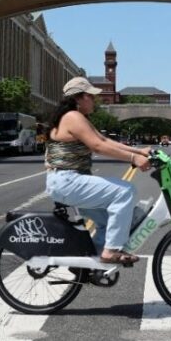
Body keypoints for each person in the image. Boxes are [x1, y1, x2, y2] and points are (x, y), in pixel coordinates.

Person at [45, 76, 153, 265]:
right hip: (68, 181)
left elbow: (105, 141)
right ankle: (110, 252)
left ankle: (92, 263)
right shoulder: (73, 117)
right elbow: (97, 146)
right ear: (79, 98)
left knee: (106, 222)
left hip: (68, 182)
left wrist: (139, 151)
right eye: (91, 96)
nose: (94, 100)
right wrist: (133, 158)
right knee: (125, 191)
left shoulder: (76, 117)